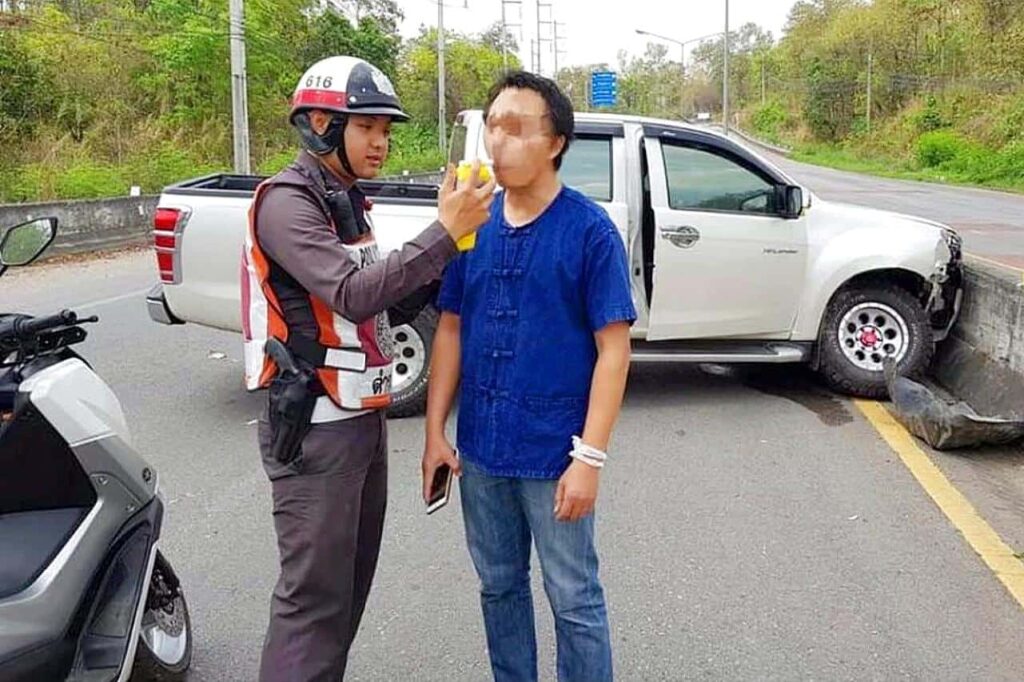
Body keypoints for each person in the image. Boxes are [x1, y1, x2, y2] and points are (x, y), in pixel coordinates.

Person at [242, 55, 494, 681]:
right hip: (315, 428)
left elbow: (382, 303)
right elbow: (351, 293)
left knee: (345, 596)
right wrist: (441, 230)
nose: (382, 141)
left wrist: (450, 258)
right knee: (312, 607)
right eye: (368, 128)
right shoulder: (287, 203)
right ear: (321, 125)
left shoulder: (347, 203)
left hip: (358, 421)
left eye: (386, 128)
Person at [422, 71, 636, 682]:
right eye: (493, 126)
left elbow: (613, 351)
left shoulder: (589, 231)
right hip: (483, 452)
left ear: (557, 142)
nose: (499, 142)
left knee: (573, 597)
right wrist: (436, 431)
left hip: (555, 456)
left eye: (517, 129)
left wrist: (589, 458)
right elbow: (452, 328)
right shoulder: (474, 222)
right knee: (498, 588)